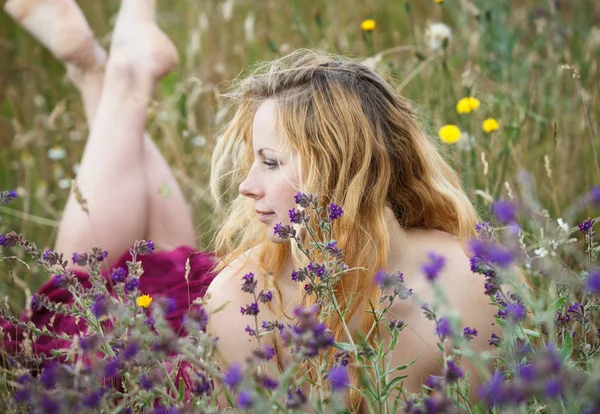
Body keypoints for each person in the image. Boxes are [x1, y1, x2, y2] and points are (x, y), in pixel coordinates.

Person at [3, 0, 498, 411]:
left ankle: (114, 74)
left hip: (209, 314)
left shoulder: (472, 277)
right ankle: (114, 74)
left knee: (135, 270)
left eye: (270, 162)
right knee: (79, 294)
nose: (246, 187)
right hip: (186, 340)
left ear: (343, 167)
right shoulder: (240, 301)